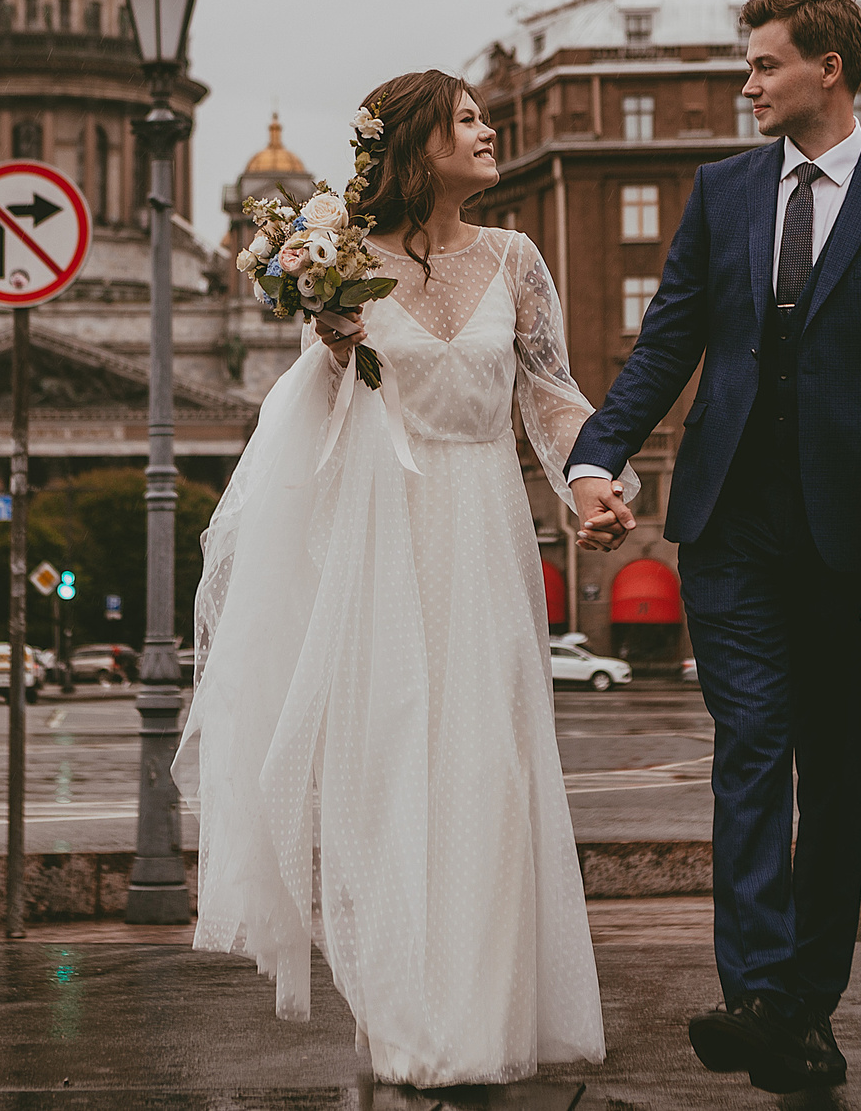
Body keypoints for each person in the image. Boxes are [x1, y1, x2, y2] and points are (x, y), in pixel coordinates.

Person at [179, 69, 639, 1089]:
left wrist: (592, 482)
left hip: (484, 527)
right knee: (387, 767)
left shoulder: (516, 257)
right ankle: (407, 1019)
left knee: (489, 769)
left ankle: (480, 1018)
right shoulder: (338, 266)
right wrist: (332, 349)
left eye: (484, 117)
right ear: (415, 145)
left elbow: (552, 394)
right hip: (381, 534)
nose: (487, 131)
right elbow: (319, 425)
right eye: (466, 119)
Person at [565, 0, 861, 1095]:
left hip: (850, 544)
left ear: (827, 68)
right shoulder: (723, 191)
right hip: (727, 524)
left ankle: (803, 1007)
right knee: (750, 745)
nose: (747, 84)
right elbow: (666, 342)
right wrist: (594, 457)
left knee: (832, 771)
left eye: (763, 64)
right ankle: (754, 995)